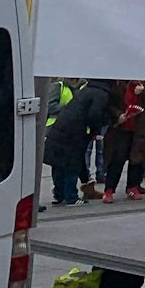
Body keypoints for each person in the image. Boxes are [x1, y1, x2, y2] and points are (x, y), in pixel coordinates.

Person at [45, 78, 112, 206]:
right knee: (72, 164)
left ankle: (59, 195)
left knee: (58, 164)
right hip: (75, 133)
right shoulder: (101, 94)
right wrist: (95, 131)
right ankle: (71, 197)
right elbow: (94, 114)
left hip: (60, 128)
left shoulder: (86, 90)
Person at [99, 79, 145, 203]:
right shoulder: (119, 81)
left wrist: (144, 91)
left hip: (142, 127)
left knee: (137, 159)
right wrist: (118, 115)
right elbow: (110, 102)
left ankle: (133, 187)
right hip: (121, 127)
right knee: (117, 159)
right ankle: (109, 189)